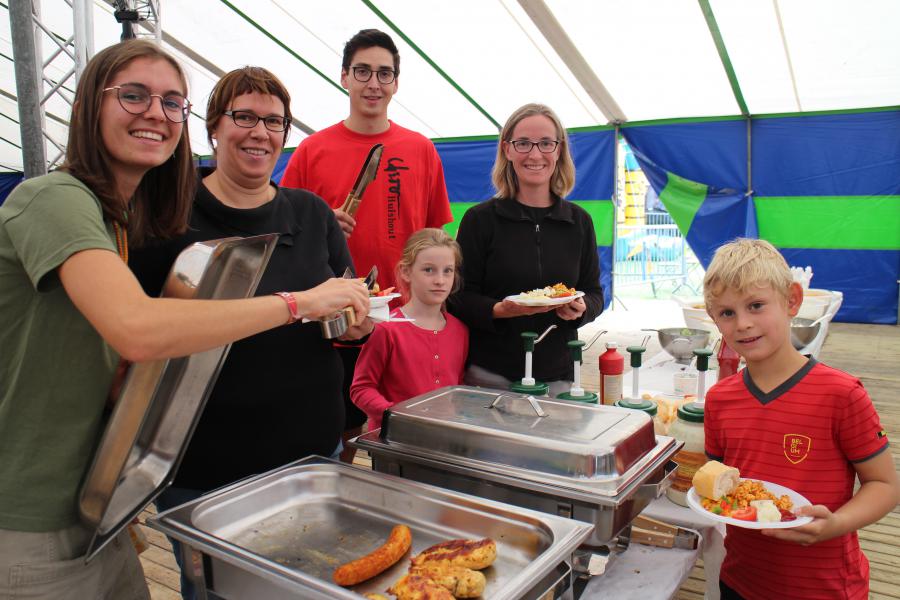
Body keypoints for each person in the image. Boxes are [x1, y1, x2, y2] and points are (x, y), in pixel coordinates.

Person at [0, 41, 368, 600]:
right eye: (133, 95)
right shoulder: (55, 198)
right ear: (215, 128)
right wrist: (297, 303)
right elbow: (139, 330)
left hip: (102, 498)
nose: (156, 113)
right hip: (34, 513)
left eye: (172, 102)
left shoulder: (120, 217)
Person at [128, 65, 373, 600]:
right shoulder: (166, 212)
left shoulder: (310, 213)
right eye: (244, 117)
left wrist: (355, 320)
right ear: (214, 126)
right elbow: (138, 330)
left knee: (312, 587)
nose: (260, 133)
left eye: (275, 122)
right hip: (204, 464)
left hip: (310, 453)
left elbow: (346, 308)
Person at [281, 28, 452, 461]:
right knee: (334, 434)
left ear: (396, 82)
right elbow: (284, 237)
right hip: (330, 320)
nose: (373, 83)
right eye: (362, 72)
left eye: (384, 73)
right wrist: (321, 226)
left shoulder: (421, 149)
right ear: (343, 77)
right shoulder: (311, 151)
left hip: (400, 321)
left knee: (401, 435)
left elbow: (436, 240)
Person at [702, 238, 899, 600]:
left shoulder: (841, 394)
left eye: (756, 305)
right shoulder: (719, 399)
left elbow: (885, 487)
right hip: (741, 580)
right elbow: (723, 484)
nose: (743, 324)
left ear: (792, 300)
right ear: (713, 317)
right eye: (727, 313)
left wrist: (835, 524)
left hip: (824, 587)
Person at [448, 103, 604, 395]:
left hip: (559, 376)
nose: (535, 154)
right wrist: (500, 310)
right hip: (489, 375)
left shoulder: (579, 221)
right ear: (507, 150)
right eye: (523, 143)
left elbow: (594, 292)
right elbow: (458, 297)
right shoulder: (480, 220)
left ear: (559, 150)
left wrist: (581, 310)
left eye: (546, 143)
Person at [351, 228, 468, 430]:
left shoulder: (460, 330)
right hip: (395, 443)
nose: (440, 280)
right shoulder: (386, 329)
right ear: (406, 272)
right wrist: (397, 415)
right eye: (429, 270)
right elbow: (361, 389)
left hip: (443, 439)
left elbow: (457, 386)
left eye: (447, 270)